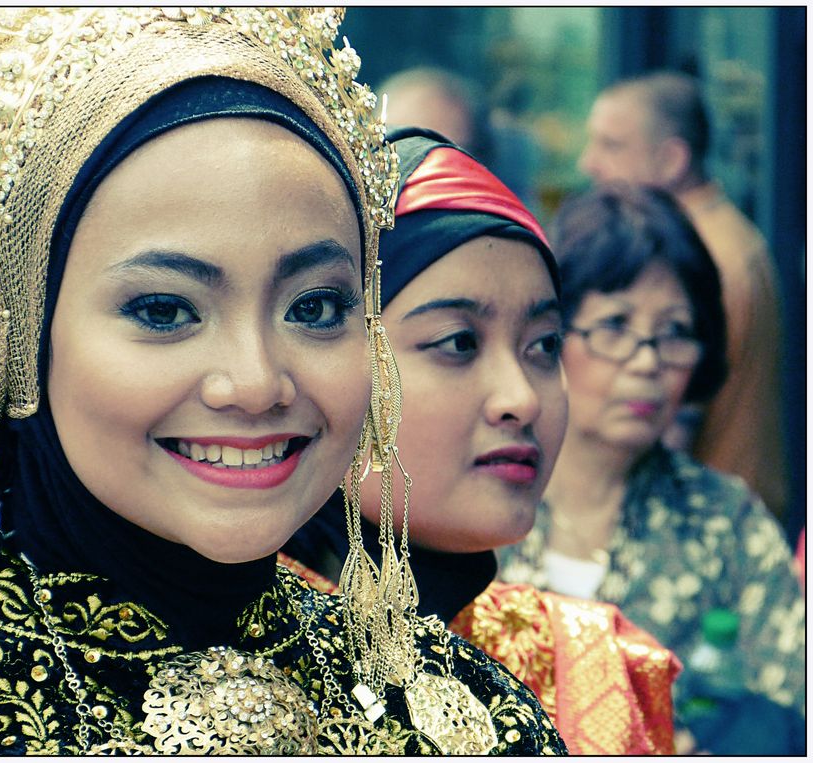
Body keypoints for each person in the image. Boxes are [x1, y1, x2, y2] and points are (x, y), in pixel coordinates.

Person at [0, 8, 565, 756]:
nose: (255, 381)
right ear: (15, 336)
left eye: (314, 306)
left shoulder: (471, 714)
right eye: (165, 309)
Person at [285, 128, 681, 754]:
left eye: (544, 346)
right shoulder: (184, 666)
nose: (521, 398)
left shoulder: (590, 664)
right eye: (459, 342)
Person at [497, 184, 805, 749]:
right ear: (551, 336)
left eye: (675, 334)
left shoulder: (725, 521)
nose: (648, 362)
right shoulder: (475, 501)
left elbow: (793, 705)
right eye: (615, 325)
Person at [578, 70, 787, 524]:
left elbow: (675, 424)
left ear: (672, 160)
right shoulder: (728, 234)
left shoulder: (699, 255)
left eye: (611, 146)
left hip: (704, 524)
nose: (588, 164)